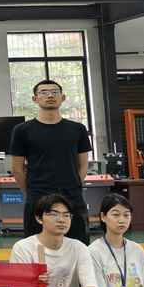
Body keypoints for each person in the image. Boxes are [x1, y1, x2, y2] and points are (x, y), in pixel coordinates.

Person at [9, 80, 92, 244]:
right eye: (44, 92)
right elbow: (17, 170)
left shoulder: (78, 129)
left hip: (73, 199)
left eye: (55, 92)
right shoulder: (22, 130)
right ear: (35, 99)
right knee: (37, 249)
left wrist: (73, 186)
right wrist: (33, 193)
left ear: (63, 97)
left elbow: (83, 166)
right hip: (38, 200)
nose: (50, 96)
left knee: (78, 247)